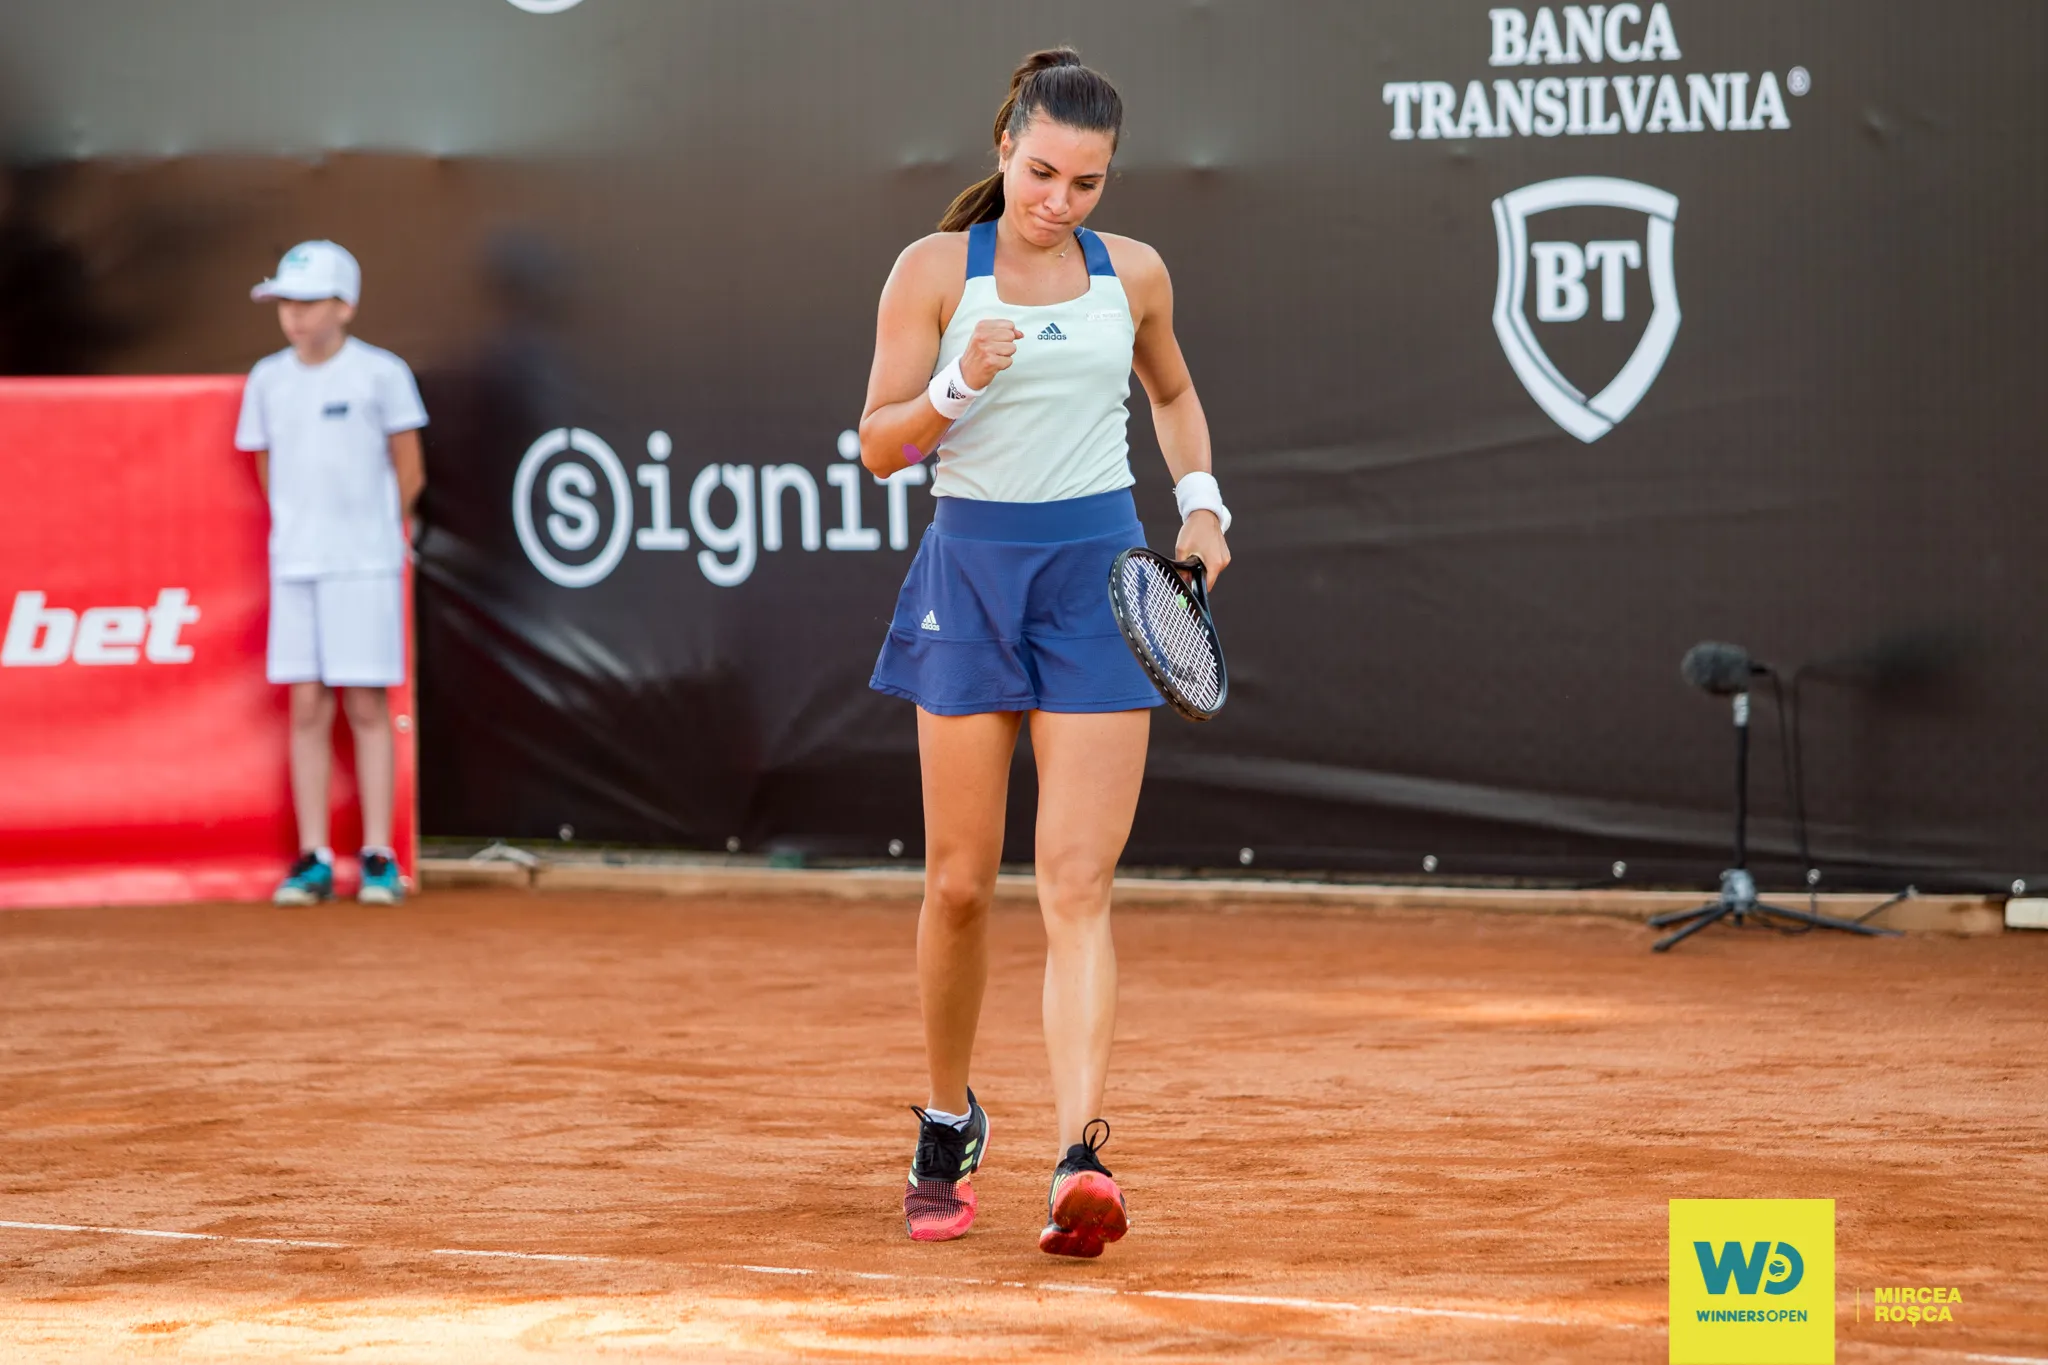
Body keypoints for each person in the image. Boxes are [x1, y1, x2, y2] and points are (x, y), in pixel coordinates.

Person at [858, 48, 1233, 1257]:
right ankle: (947, 1119)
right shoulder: (931, 271)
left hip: (1097, 586)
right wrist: (955, 388)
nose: (1058, 201)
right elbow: (877, 447)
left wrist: (1202, 505)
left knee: (1074, 885)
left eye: (1085, 183)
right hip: (969, 580)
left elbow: (1170, 396)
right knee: (960, 887)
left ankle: (1080, 1156)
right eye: (1040, 173)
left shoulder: (1134, 274)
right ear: (1004, 148)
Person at [236, 241, 427, 907]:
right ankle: (313, 857)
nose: (294, 315)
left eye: (308, 302)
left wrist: (376, 534)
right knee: (308, 706)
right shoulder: (267, 380)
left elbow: (409, 468)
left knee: (366, 705)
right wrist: (299, 531)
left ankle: (378, 856)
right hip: (296, 566)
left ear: (344, 307)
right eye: (285, 303)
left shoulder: (383, 374)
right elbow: (266, 466)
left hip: (366, 567)